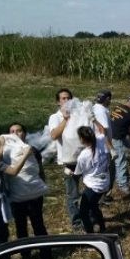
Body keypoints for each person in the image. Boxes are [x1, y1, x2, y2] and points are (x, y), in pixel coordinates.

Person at [3, 123, 48, 239]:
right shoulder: (6, 153)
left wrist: (41, 184)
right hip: (17, 197)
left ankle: (45, 249)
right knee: (21, 227)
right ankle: (25, 250)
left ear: (25, 134)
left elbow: (40, 171)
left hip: (34, 195)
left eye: (19, 131)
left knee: (38, 224)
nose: (15, 134)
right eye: (12, 132)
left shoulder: (33, 151)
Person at [47, 88, 84, 231]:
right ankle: (77, 223)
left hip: (83, 159)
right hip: (69, 162)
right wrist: (66, 119)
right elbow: (54, 135)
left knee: (89, 190)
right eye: (63, 98)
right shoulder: (55, 117)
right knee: (73, 194)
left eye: (68, 98)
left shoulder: (78, 114)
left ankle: (89, 216)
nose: (66, 100)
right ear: (58, 102)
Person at [72, 126, 110, 233]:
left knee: (83, 211)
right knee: (93, 206)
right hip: (105, 182)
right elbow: (103, 131)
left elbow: (77, 173)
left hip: (94, 186)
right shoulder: (100, 141)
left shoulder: (83, 155)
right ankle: (102, 229)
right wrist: (94, 120)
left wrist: (69, 172)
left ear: (82, 139)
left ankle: (90, 234)